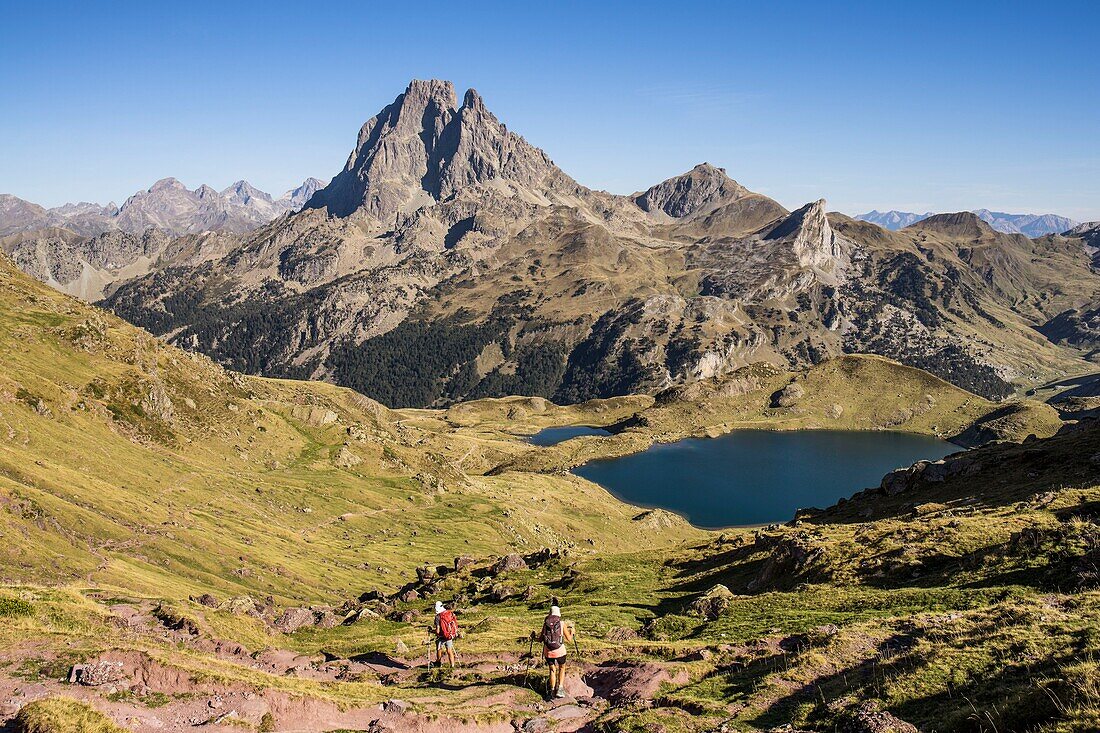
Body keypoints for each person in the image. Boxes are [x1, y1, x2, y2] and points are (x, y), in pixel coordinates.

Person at [532, 604, 574, 699]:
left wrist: (533, 637)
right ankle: (560, 688)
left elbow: (540, 639)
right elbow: (569, 639)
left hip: (548, 651)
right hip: (560, 651)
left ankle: (552, 691)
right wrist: (572, 632)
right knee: (562, 667)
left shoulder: (545, 624)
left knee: (552, 669)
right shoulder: (562, 623)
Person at [429, 601, 459, 669]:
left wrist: (431, 631)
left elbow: (437, 631)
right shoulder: (449, 613)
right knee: (449, 650)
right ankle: (452, 666)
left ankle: (438, 663)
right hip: (449, 635)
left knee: (439, 649)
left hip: (441, 636)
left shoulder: (438, 617)